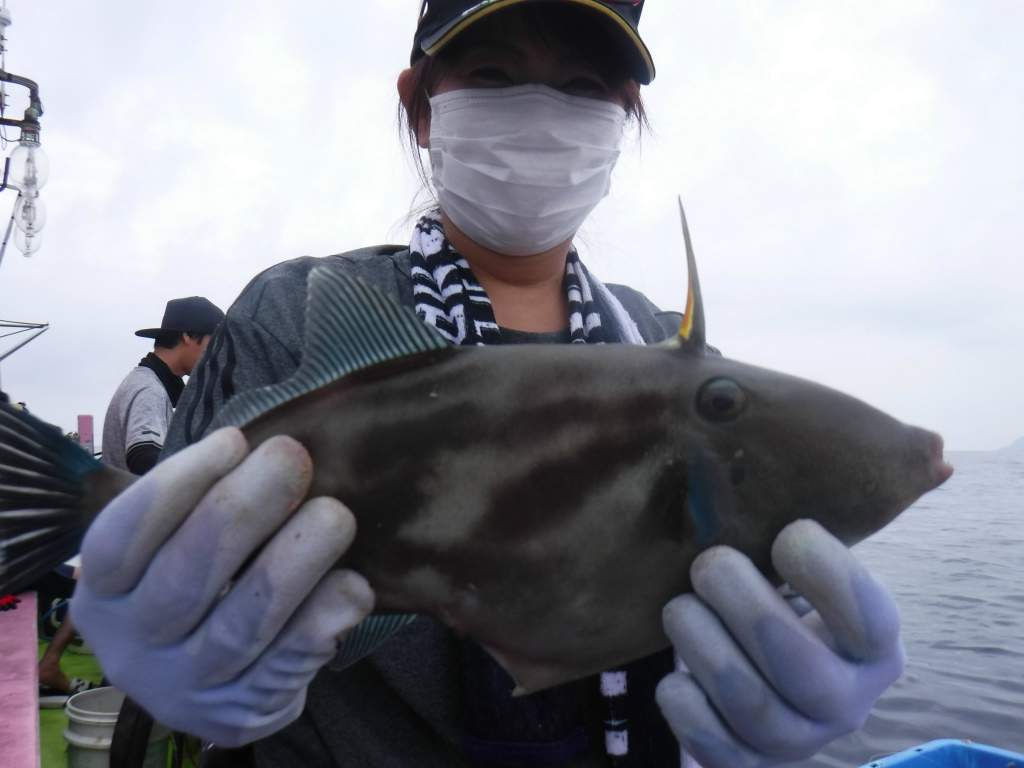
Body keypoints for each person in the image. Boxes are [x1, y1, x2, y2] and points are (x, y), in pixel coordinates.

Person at [70, 3, 907, 767]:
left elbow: (739, 581)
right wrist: (174, 655)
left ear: (625, 118)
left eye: (583, 84)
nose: (541, 111)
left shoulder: (658, 341)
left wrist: (792, 668)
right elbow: (169, 549)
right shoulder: (286, 316)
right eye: (496, 75)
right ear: (421, 104)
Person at [101, 296, 225, 474]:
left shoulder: (148, 382)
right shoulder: (150, 388)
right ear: (188, 336)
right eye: (214, 342)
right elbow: (142, 457)